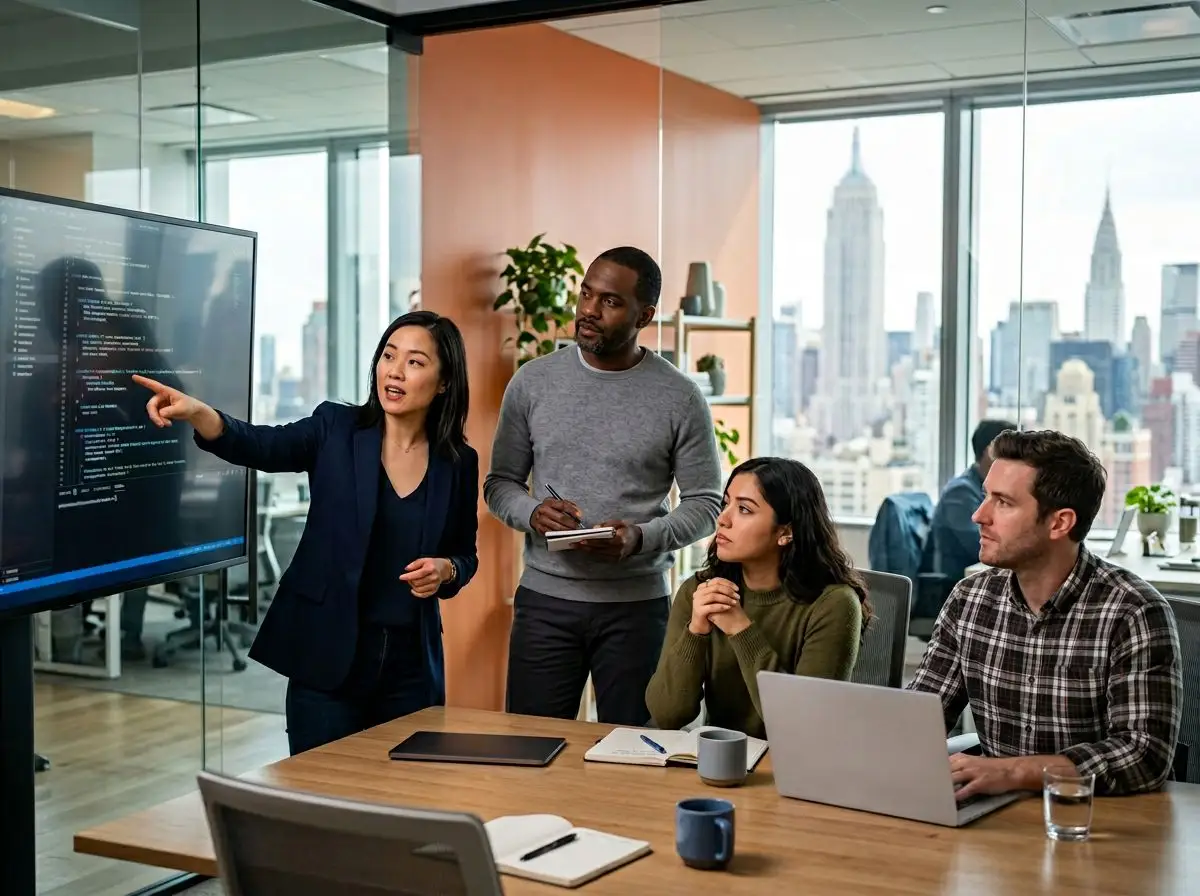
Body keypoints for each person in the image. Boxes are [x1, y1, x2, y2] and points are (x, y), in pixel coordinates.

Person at [133, 310, 478, 755]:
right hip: (328, 658)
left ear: (444, 381)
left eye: (415, 362)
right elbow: (261, 444)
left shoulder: (457, 462)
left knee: (406, 805)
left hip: (410, 668)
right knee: (319, 797)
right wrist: (201, 414)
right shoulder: (335, 428)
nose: (394, 371)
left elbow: (464, 554)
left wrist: (447, 569)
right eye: (388, 355)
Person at [484, 246, 722, 725]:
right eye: (586, 294)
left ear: (645, 315)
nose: (589, 311)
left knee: (634, 757)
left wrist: (641, 538)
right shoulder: (532, 383)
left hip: (637, 610)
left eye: (610, 301)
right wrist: (532, 512)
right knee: (530, 749)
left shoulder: (680, 396)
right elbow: (500, 484)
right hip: (545, 604)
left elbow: (706, 503)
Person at [908, 429, 1182, 799]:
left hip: (1091, 824)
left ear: (1059, 523)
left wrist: (1014, 772)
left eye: (1003, 503)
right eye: (985, 496)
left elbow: (1143, 754)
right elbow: (920, 716)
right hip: (994, 821)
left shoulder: (1133, 612)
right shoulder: (970, 599)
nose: (979, 515)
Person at [645, 457, 868, 739]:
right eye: (726, 504)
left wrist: (740, 629)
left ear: (785, 532)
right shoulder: (700, 591)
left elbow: (804, 728)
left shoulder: (834, 604)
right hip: (720, 762)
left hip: (796, 769)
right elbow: (666, 715)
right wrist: (696, 631)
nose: (723, 519)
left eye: (744, 509)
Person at [923, 418, 1017, 584]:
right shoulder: (959, 493)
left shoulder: (991, 488)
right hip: (955, 585)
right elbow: (984, 546)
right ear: (991, 451)